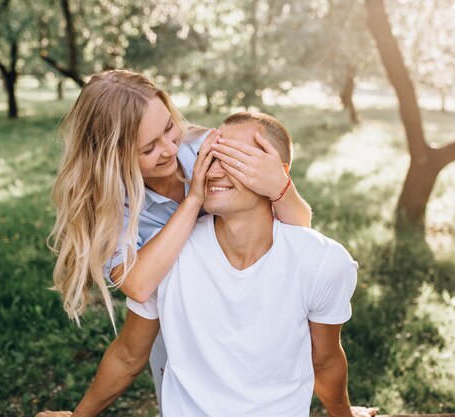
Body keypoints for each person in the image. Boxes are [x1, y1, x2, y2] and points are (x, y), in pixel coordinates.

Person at [38, 112, 376, 417]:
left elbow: (326, 359)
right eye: (209, 156)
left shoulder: (324, 263)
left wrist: (343, 414)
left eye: (233, 159)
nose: (210, 170)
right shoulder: (165, 258)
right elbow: (128, 353)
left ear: (275, 172)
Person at [48, 70, 312, 410]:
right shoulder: (109, 205)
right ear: (111, 156)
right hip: (185, 329)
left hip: (255, 316)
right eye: (148, 148)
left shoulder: (205, 149)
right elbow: (139, 286)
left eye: (169, 128)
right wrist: (193, 201)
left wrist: (280, 186)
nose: (170, 148)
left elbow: (299, 230)